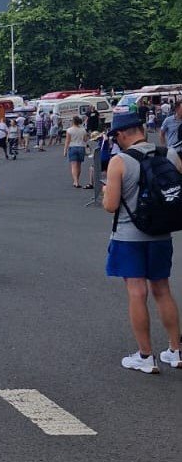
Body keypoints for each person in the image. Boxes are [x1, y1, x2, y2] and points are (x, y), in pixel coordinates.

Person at [102, 111, 182, 374]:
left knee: (137, 292)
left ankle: (146, 356)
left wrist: (106, 192)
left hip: (129, 237)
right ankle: (175, 350)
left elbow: (111, 205)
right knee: (162, 289)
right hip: (161, 234)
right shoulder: (169, 155)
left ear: (123, 133)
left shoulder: (119, 161)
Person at [64, 115, 89, 188]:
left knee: (73, 165)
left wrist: (65, 150)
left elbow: (67, 141)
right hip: (81, 147)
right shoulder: (83, 130)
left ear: (73, 122)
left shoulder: (69, 130)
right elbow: (85, 140)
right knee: (79, 165)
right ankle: (77, 179)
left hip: (72, 147)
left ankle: (76, 181)